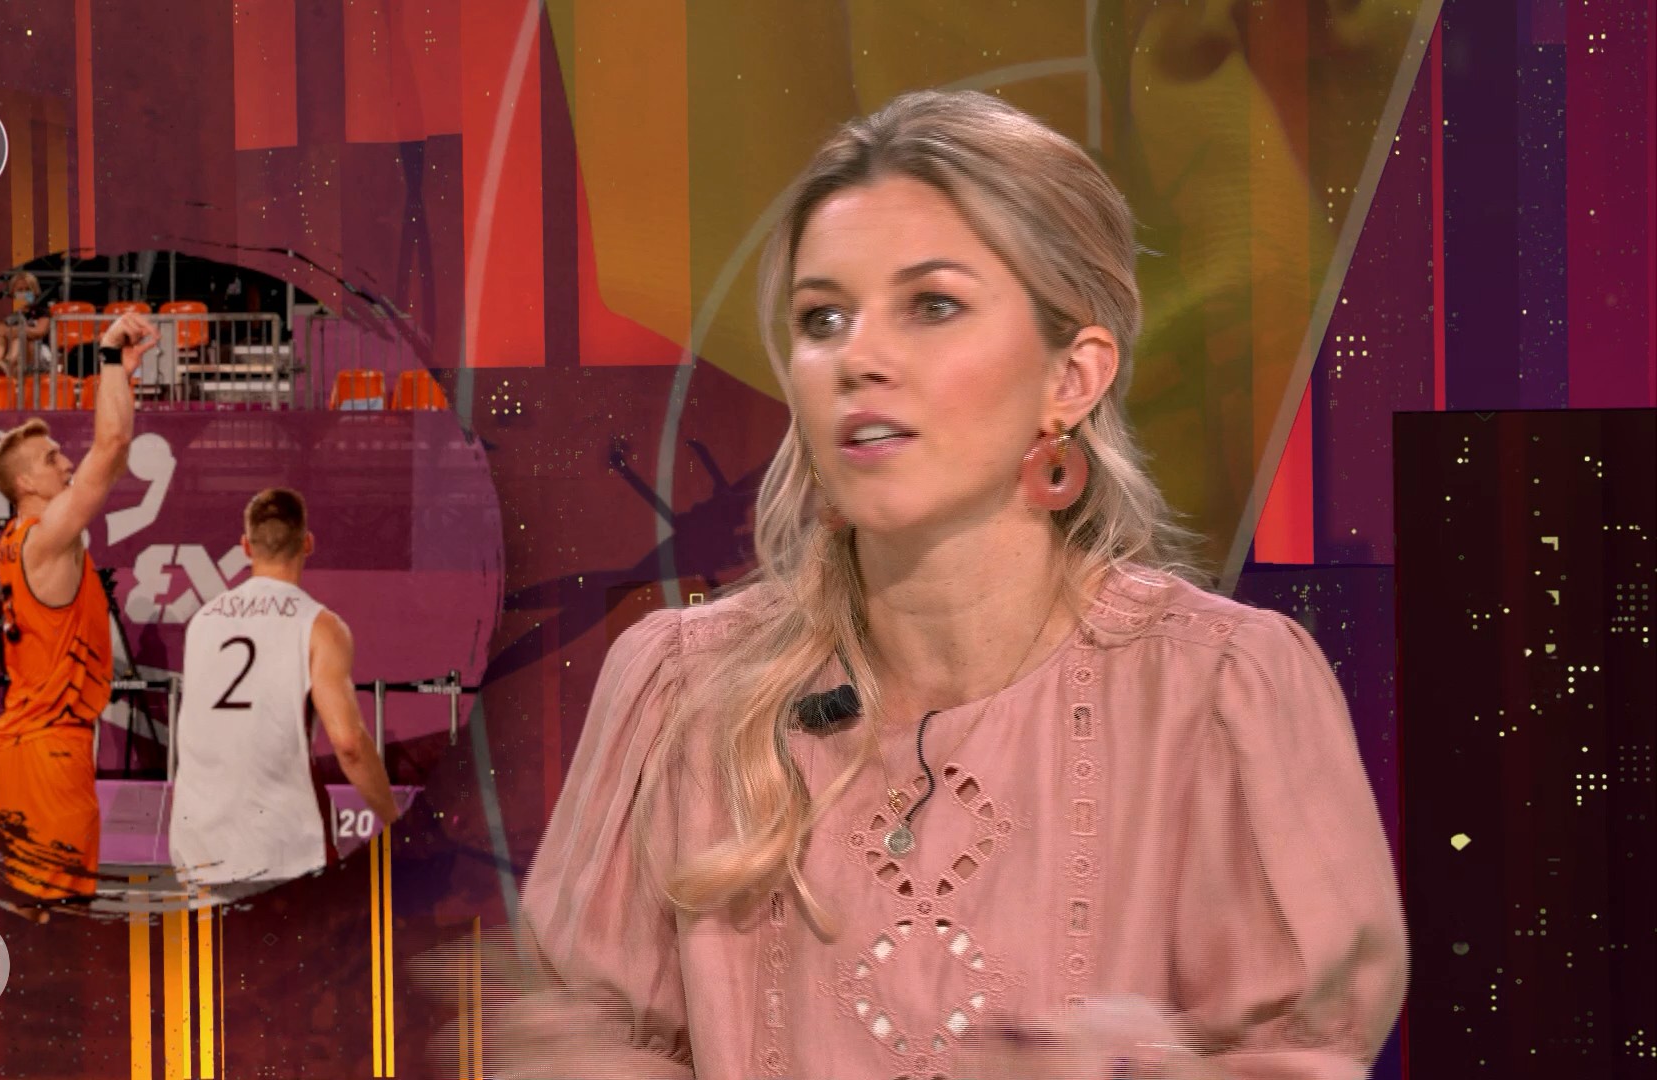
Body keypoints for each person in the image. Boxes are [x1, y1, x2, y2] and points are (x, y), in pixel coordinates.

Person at [499, 91, 1407, 1078]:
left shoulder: (1220, 690)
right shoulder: (679, 691)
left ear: (1072, 378)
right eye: (822, 318)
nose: (858, 358)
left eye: (932, 306)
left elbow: (1300, 1057)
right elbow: (589, 1046)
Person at [0, 311, 157, 918]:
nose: (65, 463)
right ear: (25, 483)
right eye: (52, 457)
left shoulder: (16, 540)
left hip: (27, 741)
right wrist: (108, 356)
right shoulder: (45, 536)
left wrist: (122, 379)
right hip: (49, 748)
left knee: (37, 912)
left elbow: (110, 448)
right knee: (59, 915)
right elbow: (112, 448)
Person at [169, 487, 400, 906]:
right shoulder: (319, 625)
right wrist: (393, 818)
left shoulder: (202, 622)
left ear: (246, 547)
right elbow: (348, 743)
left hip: (200, 844)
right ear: (307, 543)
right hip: (282, 847)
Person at [0, 270, 52, 377]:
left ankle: (7, 362)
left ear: (35, 291)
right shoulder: (6, 311)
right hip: (10, 349)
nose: (24, 293)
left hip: (36, 354)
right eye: (20, 290)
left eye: (28, 289)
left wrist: (16, 331)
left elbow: (39, 332)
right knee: (9, 336)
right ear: (13, 293)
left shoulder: (41, 311)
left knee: (20, 336)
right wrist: (15, 331)